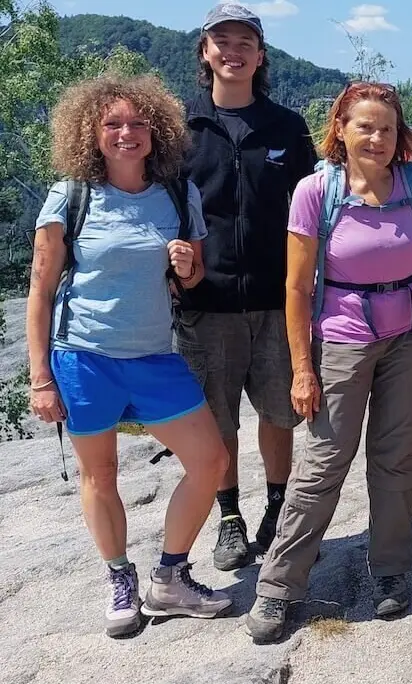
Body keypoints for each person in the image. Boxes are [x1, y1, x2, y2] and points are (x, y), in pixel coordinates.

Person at [246, 82, 412, 643]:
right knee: (323, 461)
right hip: (342, 338)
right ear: (340, 129)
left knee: (396, 457)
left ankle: (391, 568)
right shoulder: (317, 191)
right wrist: (301, 367)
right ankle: (278, 586)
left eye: (387, 128)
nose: (377, 137)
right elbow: (296, 288)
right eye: (365, 126)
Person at [27, 74, 232, 638]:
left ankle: (170, 577)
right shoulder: (71, 195)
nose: (126, 133)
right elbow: (41, 288)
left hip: (152, 355)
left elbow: (190, 279)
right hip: (84, 355)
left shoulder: (176, 193)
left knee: (211, 462)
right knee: (101, 473)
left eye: (138, 123)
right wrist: (41, 377)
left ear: (157, 130)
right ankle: (120, 579)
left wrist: (187, 266)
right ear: (91, 132)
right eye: (113, 123)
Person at [176, 2, 318, 571]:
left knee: (279, 412)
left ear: (260, 56)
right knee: (219, 419)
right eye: (222, 41)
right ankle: (229, 515)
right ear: (205, 52)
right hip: (205, 301)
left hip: (276, 296)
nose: (232, 51)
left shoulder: (285, 127)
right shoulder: (181, 128)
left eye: (244, 42)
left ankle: (278, 505)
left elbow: (312, 210)